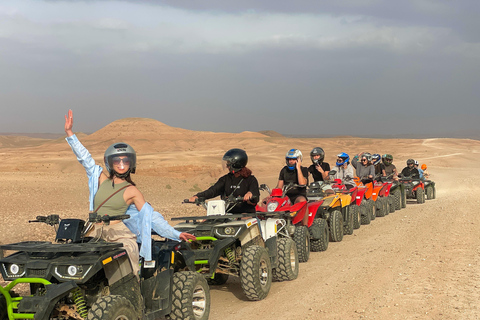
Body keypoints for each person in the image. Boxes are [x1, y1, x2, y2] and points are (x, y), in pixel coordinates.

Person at [64, 110, 195, 277]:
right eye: (116, 160)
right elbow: (85, 159)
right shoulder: (100, 179)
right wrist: (70, 133)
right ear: (109, 162)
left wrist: (176, 234)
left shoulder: (132, 191)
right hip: (95, 233)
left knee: (128, 264)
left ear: (130, 163)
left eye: (125, 160)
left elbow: (151, 216)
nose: (120, 164)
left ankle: (134, 293)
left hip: (118, 234)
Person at [188, 148, 260, 213]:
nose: (227, 166)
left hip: (244, 214)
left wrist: (250, 194)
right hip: (227, 214)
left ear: (236, 164)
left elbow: (255, 194)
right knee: (207, 223)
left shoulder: (250, 179)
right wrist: (197, 196)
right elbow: (213, 190)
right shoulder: (225, 179)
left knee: (244, 223)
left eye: (229, 163)